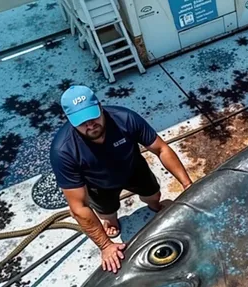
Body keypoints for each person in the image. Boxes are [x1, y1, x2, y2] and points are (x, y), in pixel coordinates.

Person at [50, 85, 193, 274]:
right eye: (82, 122)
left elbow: (161, 149)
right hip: (98, 185)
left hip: (134, 169)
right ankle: (111, 221)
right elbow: (79, 207)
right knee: (107, 214)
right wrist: (105, 246)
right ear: (69, 120)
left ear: (100, 107)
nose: (90, 125)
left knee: (154, 195)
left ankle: (154, 205)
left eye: (93, 117)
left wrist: (187, 184)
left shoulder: (125, 118)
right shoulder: (63, 151)